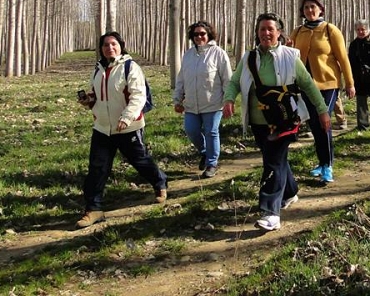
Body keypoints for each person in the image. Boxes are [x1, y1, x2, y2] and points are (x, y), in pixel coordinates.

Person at [223, 13, 330, 232]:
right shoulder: (249, 58)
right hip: (258, 121)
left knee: (272, 162)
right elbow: (235, 81)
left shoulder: (290, 57)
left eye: (270, 29)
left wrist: (322, 111)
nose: (266, 33)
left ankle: (271, 212)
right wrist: (228, 99)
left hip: (285, 120)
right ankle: (290, 192)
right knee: (275, 159)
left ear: (279, 32)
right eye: (262, 29)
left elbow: (308, 85)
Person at [76, 31, 168, 229]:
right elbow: (97, 94)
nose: (110, 48)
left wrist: (126, 118)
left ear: (121, 46)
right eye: (105, 45)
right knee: (97, 169)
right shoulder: (98, 69)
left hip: (128, 127)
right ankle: (94, 208)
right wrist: (89, 100)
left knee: (140, 161)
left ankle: (160, 183)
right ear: (101, 49)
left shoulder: (130, 67)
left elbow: (138, 96)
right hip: (102, 127)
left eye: (113, 44)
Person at [289, 0, 355, 183]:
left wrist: (350, 83)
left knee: (324, 122)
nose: (310, 10)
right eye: (306, 7)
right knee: (315, 126)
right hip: (305, 86)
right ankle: (322, 161)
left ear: (320, 9)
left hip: (328, 84)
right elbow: (290, 54)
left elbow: (343, 58)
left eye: (313, 7)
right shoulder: (298, 31)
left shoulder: (329, 29)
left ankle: (328, 165)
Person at [173, 21, 232, 178]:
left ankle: (212, 164)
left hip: (213, 103)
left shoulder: (219, 53)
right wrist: (177, 99)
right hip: (192, 104)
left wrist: (228, 100)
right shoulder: (188, 55)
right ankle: (205, 152)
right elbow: (181, 79)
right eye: (196, 34)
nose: (199, 37)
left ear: (209, 35)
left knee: (211, 131)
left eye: (202, 34)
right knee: (191, 130)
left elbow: (227, 79)